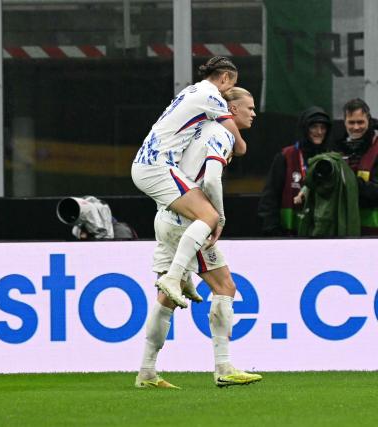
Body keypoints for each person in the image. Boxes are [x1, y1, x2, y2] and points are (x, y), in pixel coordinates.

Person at [135, 87, 262, 389]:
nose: (254, 113)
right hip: (190, 221)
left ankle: (146, 372)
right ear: (230, 109)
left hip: (167, 214)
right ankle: (223, 366)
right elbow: (211, 178)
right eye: (249, 107)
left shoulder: (198, 129)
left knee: (166, 297)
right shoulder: (220, 133)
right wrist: (217, 215)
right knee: (225, 286)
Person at [132, 56, 247, 309]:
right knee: (208, 215)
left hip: (147, 164)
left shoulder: (190, 90)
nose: (229, 95)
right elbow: (236, 140)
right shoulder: (213, 95)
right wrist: (240, 145)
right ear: (225, 77)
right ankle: (174, 277)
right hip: (158, 166)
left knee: (187, 215)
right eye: (231, 86)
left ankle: (180, 277)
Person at [257, 107, 332, 236]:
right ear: (304, 129)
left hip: (322, 235)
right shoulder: (286, 156)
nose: (319, 132)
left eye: (323, 127)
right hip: (289, 236)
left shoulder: (331, 159)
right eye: (313, 127)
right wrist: (272, 231)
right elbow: (270, 198)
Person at [332, 98, 378, 234]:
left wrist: (351, 182)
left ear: (368, 120)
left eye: (360, 122)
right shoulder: (336, 148)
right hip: (344, 231)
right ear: (344, 122)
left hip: (373, 234)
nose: (356, 127)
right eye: (351, 122)